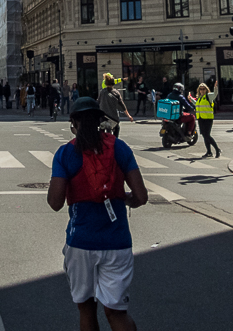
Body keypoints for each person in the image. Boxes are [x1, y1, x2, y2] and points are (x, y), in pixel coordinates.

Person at [47, 96, 148, 331]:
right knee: (116, 313)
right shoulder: (119, 148)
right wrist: (125, 199)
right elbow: (141, 196)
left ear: (74, 122)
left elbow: (55, 202)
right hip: (117, 242)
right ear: (100, 121)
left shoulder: (65, 154)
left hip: (81, 242)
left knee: (86, 308)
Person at [195, 83, 220, 158]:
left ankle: (217, 149)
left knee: (207, 135)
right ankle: (209, 152)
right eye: (201, 89)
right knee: (204, 136)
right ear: (199, 90)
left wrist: (215, 87)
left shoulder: (209, 96)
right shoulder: (199, 98)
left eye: (203, 89)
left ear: (206, 89)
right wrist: (191, 99)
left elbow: (215, 94)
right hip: (201, 118)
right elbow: (196, 104)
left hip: (208, 119)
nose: (202, 90)